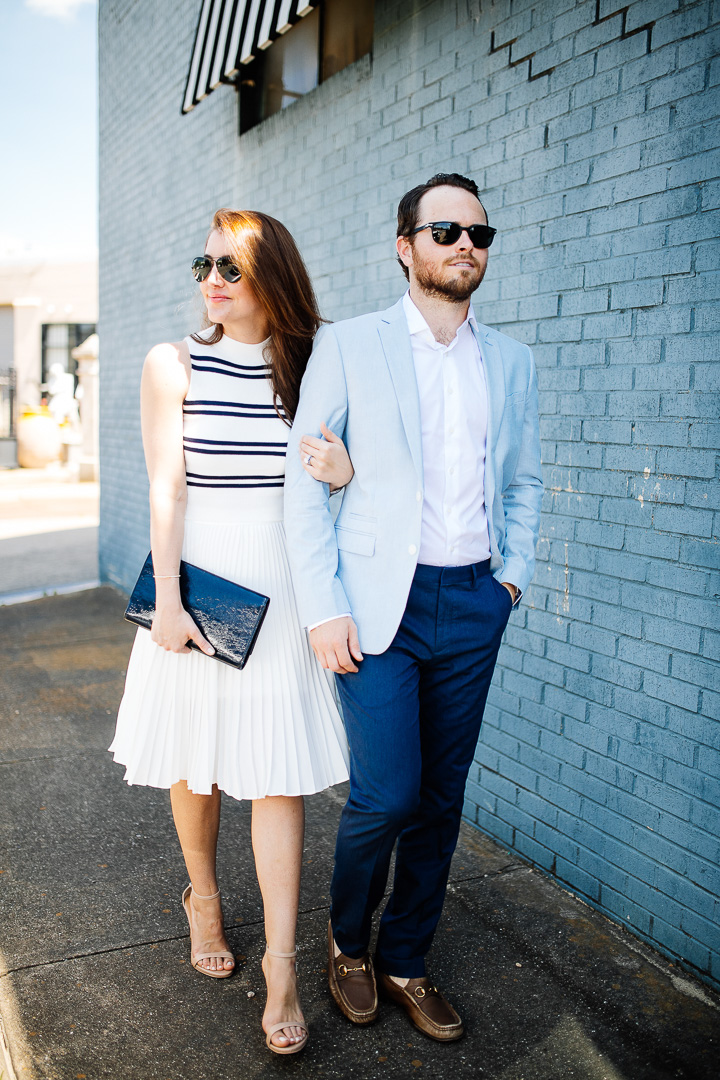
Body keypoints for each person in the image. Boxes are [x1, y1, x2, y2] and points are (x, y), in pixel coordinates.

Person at [285, 173, 543, 1042]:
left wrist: (514, 577)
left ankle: (405, 960)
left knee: (440, 798)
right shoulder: (353, 344)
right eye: (444, 232)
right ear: (406, 247)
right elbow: (302, 482)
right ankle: (346, 942)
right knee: (386, 795)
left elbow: (526, 481)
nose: (465, 246)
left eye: (478, 234)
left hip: (474, 599)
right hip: (374, 605)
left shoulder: (511, 361)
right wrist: (322, 606)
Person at [109, 209, 353, 1056]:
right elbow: (167, 489)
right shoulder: (172, 364)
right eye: (203, 263)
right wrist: (168, 602)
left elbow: (356, 478)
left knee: (276, 775)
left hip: (282, 584)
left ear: (272, 279)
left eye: (232, 267)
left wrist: (348, 474)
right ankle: (203, 898)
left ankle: (281, 967)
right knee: (197, 759)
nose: (211, 278)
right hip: (201, 578)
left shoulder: (314, 363)